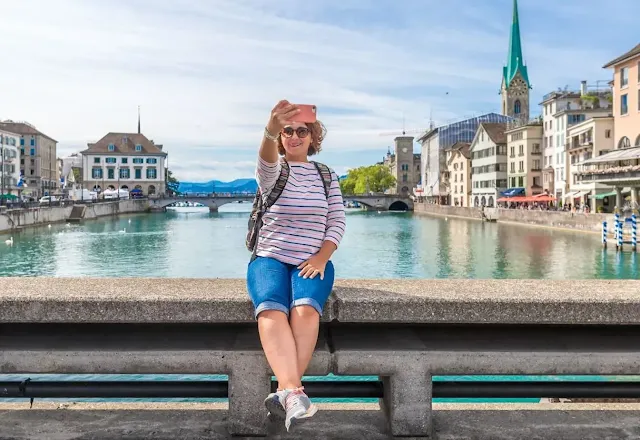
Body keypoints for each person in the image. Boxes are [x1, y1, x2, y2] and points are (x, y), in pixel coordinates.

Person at [246, 100, 346, 432]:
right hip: (270, 257)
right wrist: (269, 128)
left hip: (313, 260)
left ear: (313, 137)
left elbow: (337, 221)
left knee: (305, 310)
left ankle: (286, 392)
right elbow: (264, 161)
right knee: (271, 310)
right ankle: (294, 393)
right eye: (287, 131)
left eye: (302, 131)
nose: (294, 136)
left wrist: (322, 257)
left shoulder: (326, 175)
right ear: (280, 136)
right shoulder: (275, 171)